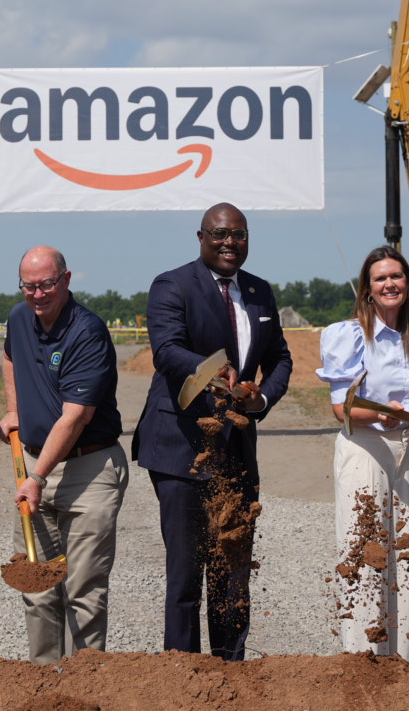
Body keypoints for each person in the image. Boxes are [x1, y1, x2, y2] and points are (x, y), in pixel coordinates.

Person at [131, 202, 294, 660]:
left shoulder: (260, 292)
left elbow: (280, 358)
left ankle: (231, 673)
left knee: (231, 571)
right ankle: (181, 677)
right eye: (220, 234)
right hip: (182, 450)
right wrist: (214, 371)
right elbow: (167, 350)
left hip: (237, 450)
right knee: (186, 575)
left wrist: (260, 397)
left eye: (239, 235)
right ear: (200, 236)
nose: (229, 242)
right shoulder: (173, 285)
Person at [316, 246, 409, 664]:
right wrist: (382, 415)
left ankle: (403, 665)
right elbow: (342, 407)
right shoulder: (350, 334)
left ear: (408, 284)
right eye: (380, 278)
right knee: (364, 552)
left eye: (396, 276)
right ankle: (363, 663)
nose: (390, 284)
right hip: (366, 448)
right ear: (368, 289)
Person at [0, 246, 129, 663]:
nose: (38, 294)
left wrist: (36, 478)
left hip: (88, 469)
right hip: (37, 465)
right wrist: (14, 407)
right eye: (29, 286)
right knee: (38, 588)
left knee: (82, 590)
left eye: (47, 284)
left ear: (67, 279)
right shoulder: (20, 318)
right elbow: (8, 355)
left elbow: (74, 419)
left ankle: (83, 686)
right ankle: (43, 683)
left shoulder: (87, 331)